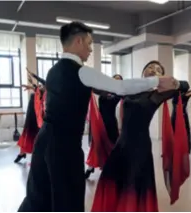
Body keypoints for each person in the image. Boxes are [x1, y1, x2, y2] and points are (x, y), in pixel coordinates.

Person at [17, 22, 179, 212]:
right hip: (65, 146)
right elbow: (120, 86)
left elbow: (88, 92)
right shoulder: (82, 71)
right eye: (89, 43)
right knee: (68, 199)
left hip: (43, 140)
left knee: (38, 196)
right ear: (78, 41)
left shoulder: (53, 71)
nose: (90, 49)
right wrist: (159, 80)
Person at [91, 60, 190, 211]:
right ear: (143, 71)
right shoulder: (130, 88)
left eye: (158, 69)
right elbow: (104, 89)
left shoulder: (157, 94)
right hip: (121, 145)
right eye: (150, 67)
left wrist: (171, 82)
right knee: (111, 181)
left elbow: (186, 85)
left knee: (133, 187)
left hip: (139, 148)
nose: (152, 69)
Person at [85, 74, 123, 179]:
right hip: (99, 124)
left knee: (113, 147)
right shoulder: (104, 90)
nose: (116, 81)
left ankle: (114, 168)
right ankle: (90, 168)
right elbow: (95, 89)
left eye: (118, 80)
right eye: (114, 79)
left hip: (110, 124)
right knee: (96, 146)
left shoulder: (119, 93)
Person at [171, 87, 191, 153]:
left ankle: (180, 148)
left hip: (180, 116)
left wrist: (189, 91)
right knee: (178, 131)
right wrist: (190, 90)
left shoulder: (180, 96)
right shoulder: (184, 95)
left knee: (181, 131)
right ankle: (178, 148)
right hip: (178, 116)